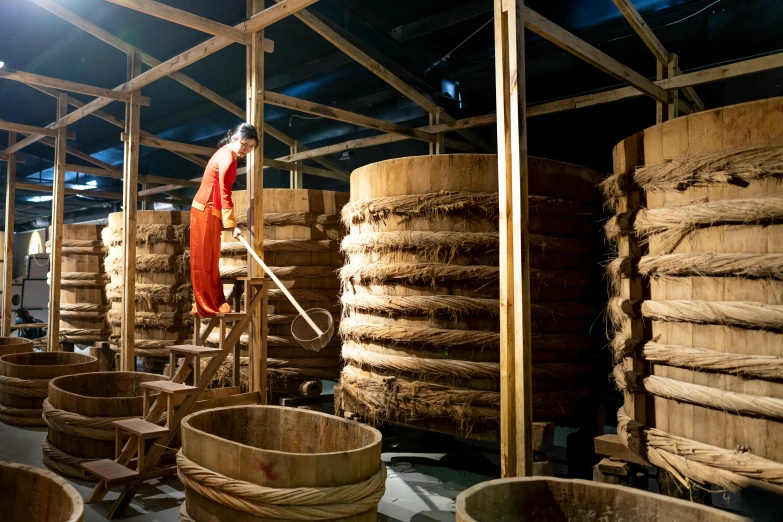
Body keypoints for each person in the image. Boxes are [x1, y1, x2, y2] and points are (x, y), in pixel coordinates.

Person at [190, 123, 258, 317]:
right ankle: (206, 305)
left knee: (209, 260)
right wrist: (232, 225)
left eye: (251, 147)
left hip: (209, 210)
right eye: (244, 144)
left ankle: (212, 302)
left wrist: (227, 222)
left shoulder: (226, 154)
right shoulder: (227, 158)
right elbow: (224, 192)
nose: (246, 149)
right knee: (204, 261)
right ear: (233, 139)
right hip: (205, 209)